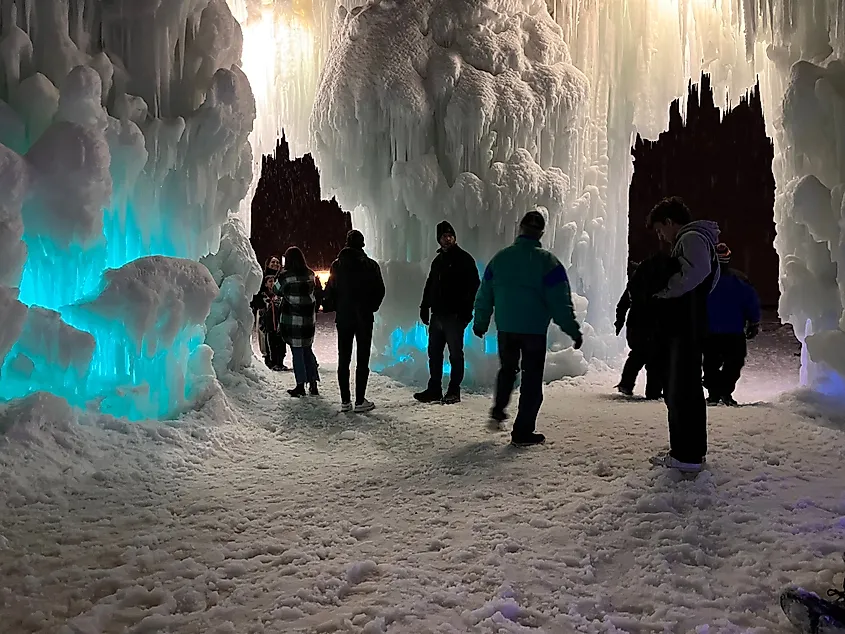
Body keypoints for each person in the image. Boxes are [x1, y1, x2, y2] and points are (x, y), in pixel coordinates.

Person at [473, 210, 583, 446]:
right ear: (541, 233)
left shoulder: (500, 259)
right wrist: (572, 329)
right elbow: (560, 301)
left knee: (507, 370)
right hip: (533, 331)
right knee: (532, 381)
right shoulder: (548, 263)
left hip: (506, 329)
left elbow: (484, 294)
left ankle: (498, 410)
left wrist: (480, 321)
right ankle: (522, 431)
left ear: (520, 229)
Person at [647, 197, 720, 474]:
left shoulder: (690, 238)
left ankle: (687, 455)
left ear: (669, 221)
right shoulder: (696, 238)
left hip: (686, 325)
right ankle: (687, 451)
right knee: (684, 388)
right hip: (689, 324)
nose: (661, 236)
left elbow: (697, 272)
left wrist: (665, 289)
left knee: (682, 389)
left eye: (659, 229)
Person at [414, 221, 480, 405]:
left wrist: (466, 313)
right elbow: (430, 285)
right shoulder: (438, 261)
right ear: (439, 239)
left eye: (450, 235)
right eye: (444, 236)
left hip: (454, 316)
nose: (448, 238)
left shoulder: (464, 259)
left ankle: (454, 390)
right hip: (438, 315)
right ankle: (434, 388)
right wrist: (424, 306)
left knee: (455, 355)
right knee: (434, 353)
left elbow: (474, 286)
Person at [323, 230, 385, 413]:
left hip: (344, 317)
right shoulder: (371, 265)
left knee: (344, 358)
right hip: (364, 317)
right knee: (362, 359)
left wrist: (339, 306)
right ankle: (359, 400)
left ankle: (345, 401)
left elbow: (330, 290)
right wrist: (370, 307)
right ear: (362, 244)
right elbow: (380, 290)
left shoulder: (337, 265)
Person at [703, 243, 761, 406]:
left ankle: (714, 393)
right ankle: (724, 391)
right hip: (733, 332)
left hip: (710, 332)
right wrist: (754, 322)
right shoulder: (740, 280)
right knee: (734, 364)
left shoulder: (704, 281)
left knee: (710, 363)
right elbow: (751, 302)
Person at [614, 252, 678, 399]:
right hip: (658, 326)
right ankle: (653, 391)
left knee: (637, 355)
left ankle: (626, 383)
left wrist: (620, 321)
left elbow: (623, 304)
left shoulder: (637, 283)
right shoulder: (665, 283)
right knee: (656, 360)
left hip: (637, 324)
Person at [276, 247, 321, 397]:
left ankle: (300, 385)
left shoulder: (285, 276)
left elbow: (276, 290)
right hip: (308, 318)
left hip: (293, 319)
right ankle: (313, 383)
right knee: (308, 350)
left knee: (297, 352)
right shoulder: (310, 274)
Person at [250, 275, 286, 370]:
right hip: (268, 325)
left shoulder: (279, 296)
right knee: (270, 344)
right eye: (270, 281)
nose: (272, 283)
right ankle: (271, 362)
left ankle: (280, 362)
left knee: (281, 344)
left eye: (274, 281)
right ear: (265, 284)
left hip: (279, 324)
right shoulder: (262, 297)